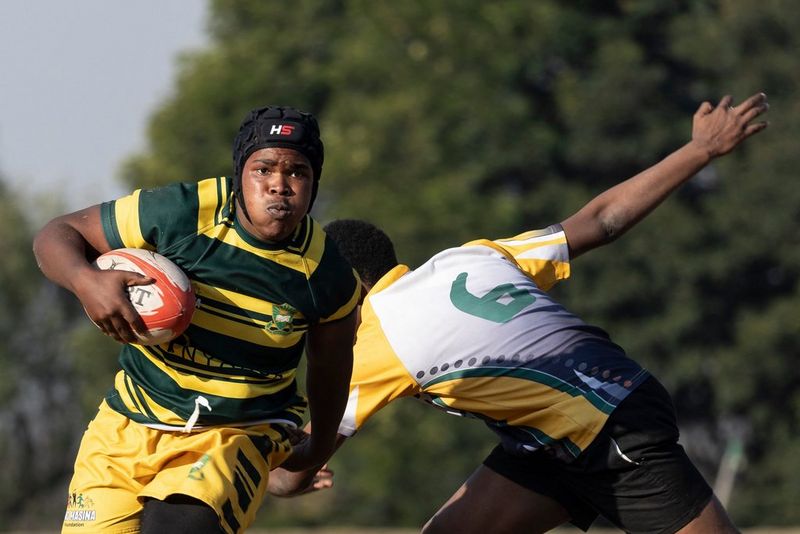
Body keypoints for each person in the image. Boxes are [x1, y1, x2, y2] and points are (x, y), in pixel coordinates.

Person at [267, 93, 769, 533]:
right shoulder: (470, 257)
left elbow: (288, 478)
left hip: (607, 423)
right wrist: (700, 149)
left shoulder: (377, 344)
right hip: (555, 434)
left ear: (347, 285)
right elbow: (601, 221)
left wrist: (273, 466)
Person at [33, 106, 360, 534]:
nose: (279, 184)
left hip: (236, 433)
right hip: (127, 424)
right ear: (240, 174)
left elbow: (331, 367)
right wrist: (85, 281)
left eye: (298, 172)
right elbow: (57, 234)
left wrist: (317, 446)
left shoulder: (326, 273)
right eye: (263, 169)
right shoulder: (183, 213)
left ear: (314, 184)